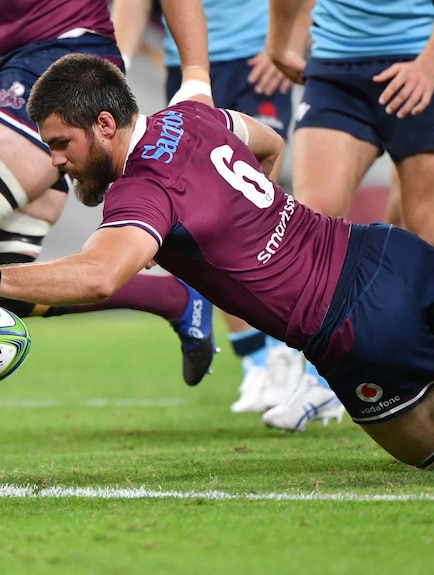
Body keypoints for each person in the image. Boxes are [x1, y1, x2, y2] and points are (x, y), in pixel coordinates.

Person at [0, 53, 434, 469]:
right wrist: (261, 220)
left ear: (104, 124)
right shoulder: (195, 117)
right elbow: (271, 140)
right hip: (386, 252)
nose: (58, 163)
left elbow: (100, 273)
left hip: (352, 332)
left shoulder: (140, 190)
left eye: (62, 144)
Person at [0, 0, 213, 465]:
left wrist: (196, 77)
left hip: (62, 58)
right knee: (1, 285)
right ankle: (173, 299)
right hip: (0, 66)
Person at [265, 0, 434, 427]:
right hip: (334, 68)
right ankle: (320, 380)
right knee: (312, 226)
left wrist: (428, 64)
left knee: (431, 229)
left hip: (421, 60)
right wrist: (276, 45)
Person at [112, 0, 310, 415]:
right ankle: (255, 358)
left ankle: (288, 351)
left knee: (253, 201)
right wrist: (116, 65)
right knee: (202, 221)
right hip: (185, 67)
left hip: (255, 62)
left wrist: (286, 44)